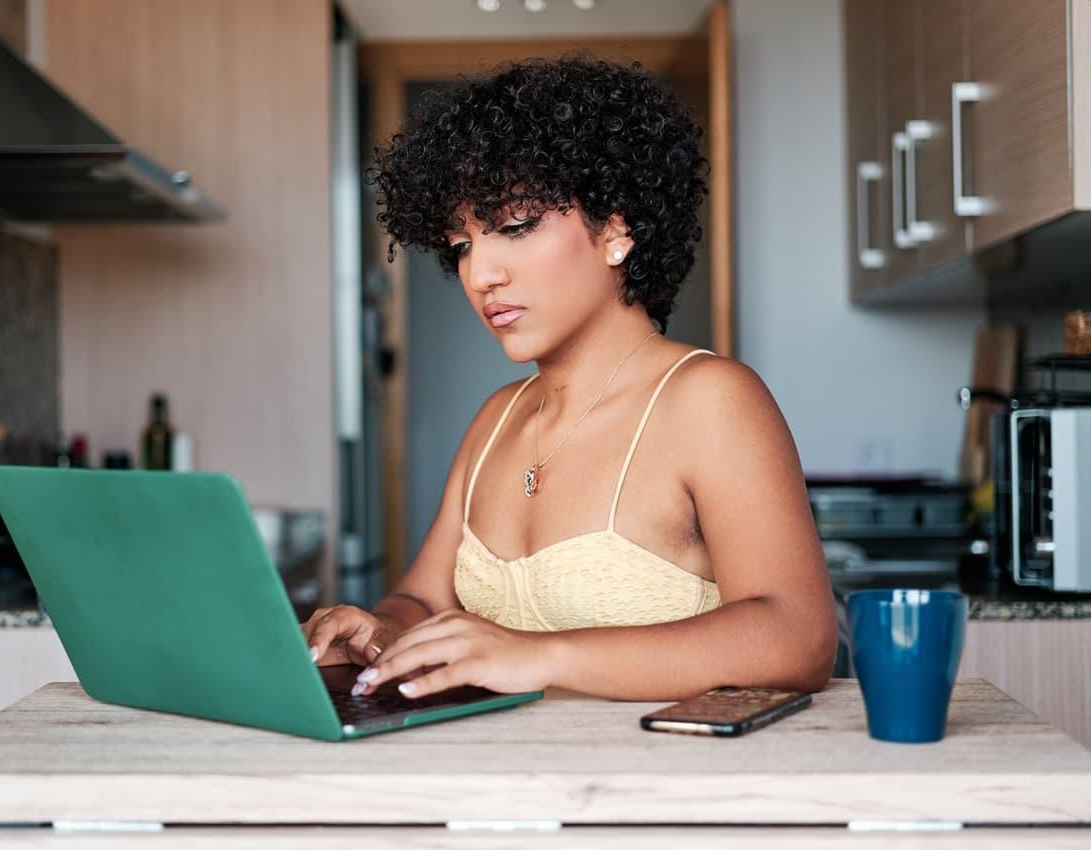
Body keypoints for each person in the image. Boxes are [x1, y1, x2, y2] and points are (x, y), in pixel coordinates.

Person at [302, 55, 836, 702]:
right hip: (511, 793)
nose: (480, 276)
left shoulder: (710, 402)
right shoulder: (498, 419)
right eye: (462, 244)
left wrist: (539, 657)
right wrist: (377, 629)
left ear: (616, 230)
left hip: (655, 793)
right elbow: (421, 598)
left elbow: (799, 636)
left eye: (515, 228)